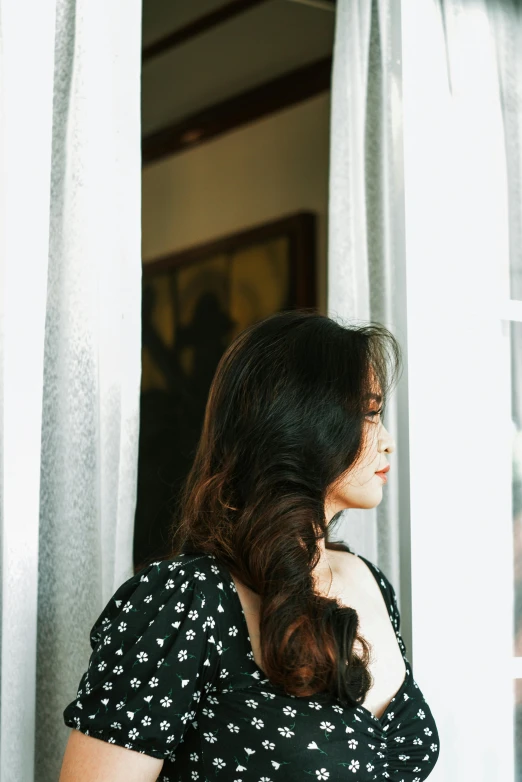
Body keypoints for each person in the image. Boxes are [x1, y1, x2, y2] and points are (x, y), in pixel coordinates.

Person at [59, 309, 440, 781]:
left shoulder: (368, 580)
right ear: (301, 420)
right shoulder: (187, 599)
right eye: (368, 412)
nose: (387, 442)